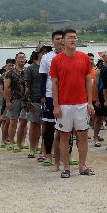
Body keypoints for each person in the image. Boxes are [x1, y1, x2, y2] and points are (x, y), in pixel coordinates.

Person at [50, 29, 94, 178]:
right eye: (70, 38)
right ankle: (66, 167)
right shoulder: (56, 60)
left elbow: (89, 80)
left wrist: (90, 102)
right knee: (64, 136)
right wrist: (56, 105)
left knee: (82, 135)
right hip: (64, 105)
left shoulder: (84, 58)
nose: (73, 40)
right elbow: (54, 84)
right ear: (63, 40)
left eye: (75, 37)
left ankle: (82, 166)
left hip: (81, 104)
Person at [39, 30, 64, 167]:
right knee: (49, 127)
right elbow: (42, 79)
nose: (60, 41)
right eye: (57, 38)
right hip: (49, 96)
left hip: (66, 96)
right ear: (53, 41)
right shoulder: (47, 57)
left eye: (62, 38)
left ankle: (65, 155)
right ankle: (48, 154)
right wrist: (42, 97)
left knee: (67, 128)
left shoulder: (69, 55)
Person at [24, 48, 45, 160]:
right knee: (34, 125)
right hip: (34, 100)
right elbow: (26, 86)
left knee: (45, 126)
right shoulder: (30, 68)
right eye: (43, 52)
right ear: (38, 54)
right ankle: (32, 148)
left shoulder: (48, 66)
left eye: (46, 52)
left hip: (47, 100)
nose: (45, 54)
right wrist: (28, 102)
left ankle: (43, 149)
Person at [3, 52, 27, 152]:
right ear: (16, 59)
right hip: (14, 99)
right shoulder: (10, 73)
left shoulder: (28, 71)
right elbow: (6, 88)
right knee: (13, 121)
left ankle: (21, 142)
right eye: (20, 57)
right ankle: (11, 142)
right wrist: (8, 101)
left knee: (24, 121)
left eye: (23, 57)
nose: (22, 59)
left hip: (26, 100)